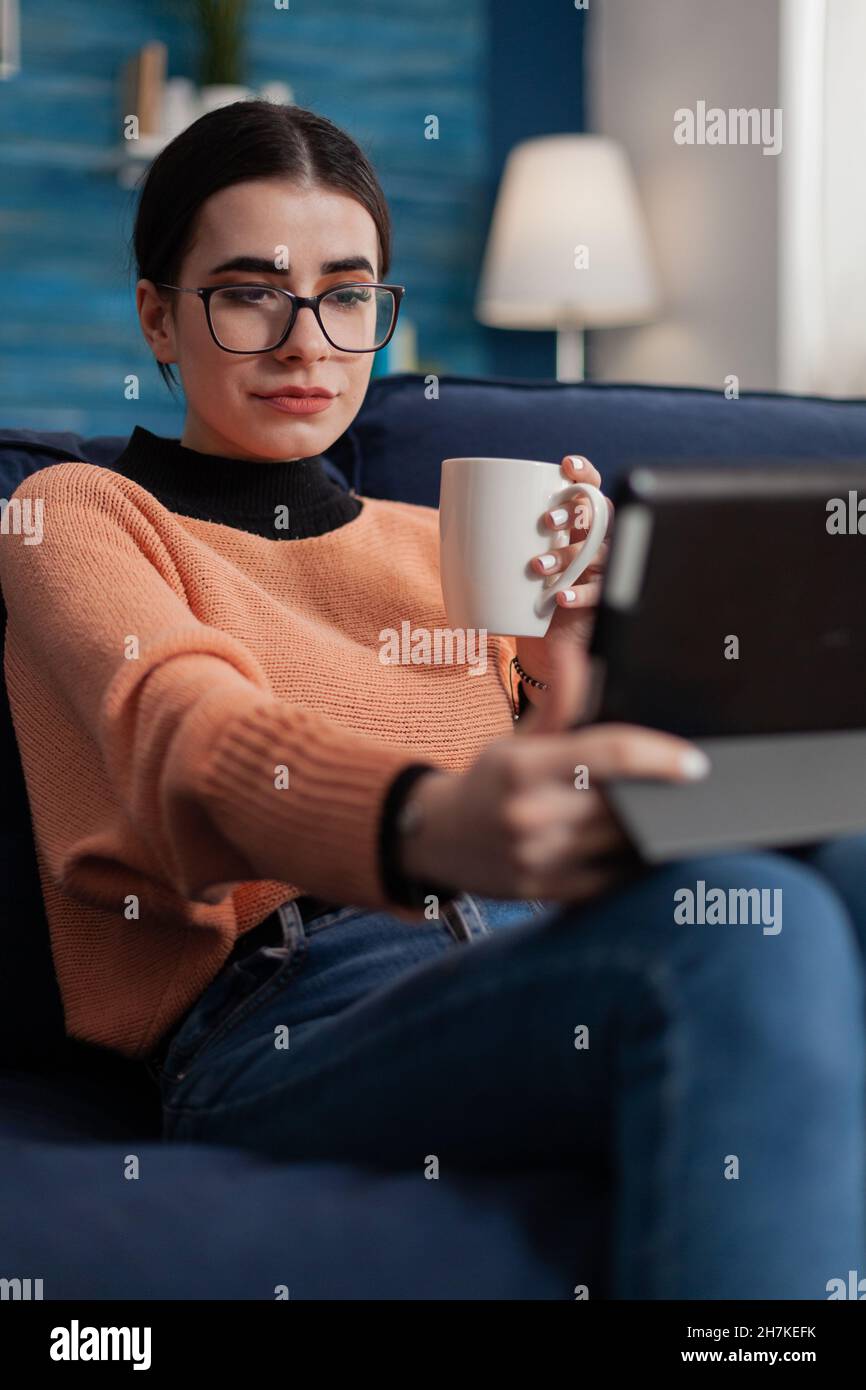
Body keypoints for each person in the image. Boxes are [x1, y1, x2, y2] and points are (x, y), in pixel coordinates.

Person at [0, 100, 863, 1300]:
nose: (307, 343)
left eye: (348, 296)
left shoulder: (446, 540)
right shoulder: (77, 513)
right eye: (250, 293)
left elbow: (559, 807)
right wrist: (424, 823)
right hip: (289, 1009)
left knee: (840, 859)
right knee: (732, 938)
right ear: (159, 317)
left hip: (523, 960)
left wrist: (575, 658)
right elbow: (183, 733)